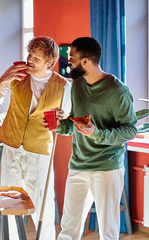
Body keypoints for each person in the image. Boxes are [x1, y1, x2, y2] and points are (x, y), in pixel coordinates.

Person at [0, 36, 71, 239]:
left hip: (39, 153)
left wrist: (59, 118)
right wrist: (4, 78)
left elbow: (65, 120)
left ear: (50, 63)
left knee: (43, 207)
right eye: (29, 54)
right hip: (11, 149)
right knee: (10, 205)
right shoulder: (17, 77)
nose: (29, 60)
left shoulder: (64, 86)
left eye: (36, 58)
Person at [54, 37, 137, 240]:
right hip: (78, 165)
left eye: (71, 57)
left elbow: (130, 131)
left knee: (108, 229)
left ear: (85, 61)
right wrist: (57, 125)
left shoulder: (118, 91)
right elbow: (74, 125)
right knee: (68, 228)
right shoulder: (77, 86)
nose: (68, 61)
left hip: (107, 167)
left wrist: (97, 133)